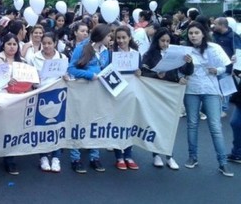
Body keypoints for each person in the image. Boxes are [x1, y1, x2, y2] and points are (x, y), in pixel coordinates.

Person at [183, 22, 233, 177]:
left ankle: (222, 162)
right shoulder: (186, 50)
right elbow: (180, 69)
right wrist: (186, 65)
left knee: (215, 127)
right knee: (192, 124)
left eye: (196, 32)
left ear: (203, 33)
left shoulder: (214, 48)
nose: (193, 36)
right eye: (191, 33)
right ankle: (193, 157)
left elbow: (226, 66)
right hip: (191, 90)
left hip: (211, 90)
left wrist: (217, 70)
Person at [141, 28, 193, 170]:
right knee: (156, 123)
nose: (165, 44)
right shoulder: (149, 55)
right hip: (155, 91)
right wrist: (157, 75)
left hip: (171, 91)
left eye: (168, 41)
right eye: (162, 41)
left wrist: (189, 62)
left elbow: (187, 71)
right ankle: (156, 154)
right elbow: (143, 72)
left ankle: (169, 155)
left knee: (170, 125)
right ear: (156, 41)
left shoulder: (176, 54)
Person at [67, 23, 112, 174]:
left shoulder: (106, 51)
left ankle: (94, 156)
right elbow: (71, 68)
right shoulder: (82, 48)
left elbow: (107, 68)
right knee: (79, 122)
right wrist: (89, 75)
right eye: (108, 35)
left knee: (96, 122)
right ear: (102, 36)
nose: (110, 38)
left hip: (98, 92)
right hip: (82, 91)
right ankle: (75, 157)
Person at [29, 32, 69, 173]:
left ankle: (56, 157)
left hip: (58, 95)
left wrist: (66, 76)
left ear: (55, 43)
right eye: (44, 43)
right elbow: (30, 78)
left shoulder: (62, 57)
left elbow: (68, 77)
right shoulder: (34, 58)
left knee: (57, 126)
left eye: (49, 43)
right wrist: (35, 81)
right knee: (42, 127)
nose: (46, 46)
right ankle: (43, 156)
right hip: (42, 95)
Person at [0, 33, 25, 175]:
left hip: (18, 99)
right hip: (1, 99)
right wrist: (5, 81)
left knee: (13, 129)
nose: (12, 47)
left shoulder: (22, 62)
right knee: (2, 128)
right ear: (3, 45)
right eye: (9, 44)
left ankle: (10, 159)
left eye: (14, 44)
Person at [111, 26, 142, 170]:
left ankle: (128, 155)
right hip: (117, 94)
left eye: (124, 37)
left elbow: (141, 74)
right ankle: (119, 156)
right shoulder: (113, 55)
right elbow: (107, 73)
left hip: (132, 93)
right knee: (118, 124)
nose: (121, 40)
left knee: (130, 124)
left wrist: (139, 72)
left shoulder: (136, 54)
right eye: (118, 38)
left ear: (129, 38)